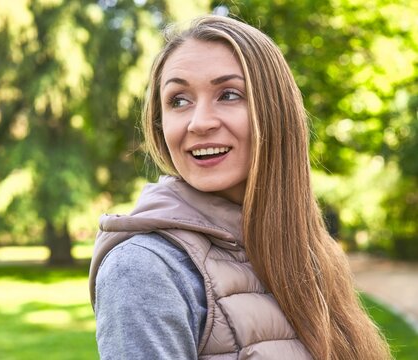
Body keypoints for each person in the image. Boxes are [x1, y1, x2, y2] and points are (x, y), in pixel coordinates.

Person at [88, 15, 391, 360]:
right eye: (179, 100)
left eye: (229, 95)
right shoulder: (145, 269)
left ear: (275, 112)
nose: (199, 122)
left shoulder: (310, 251)